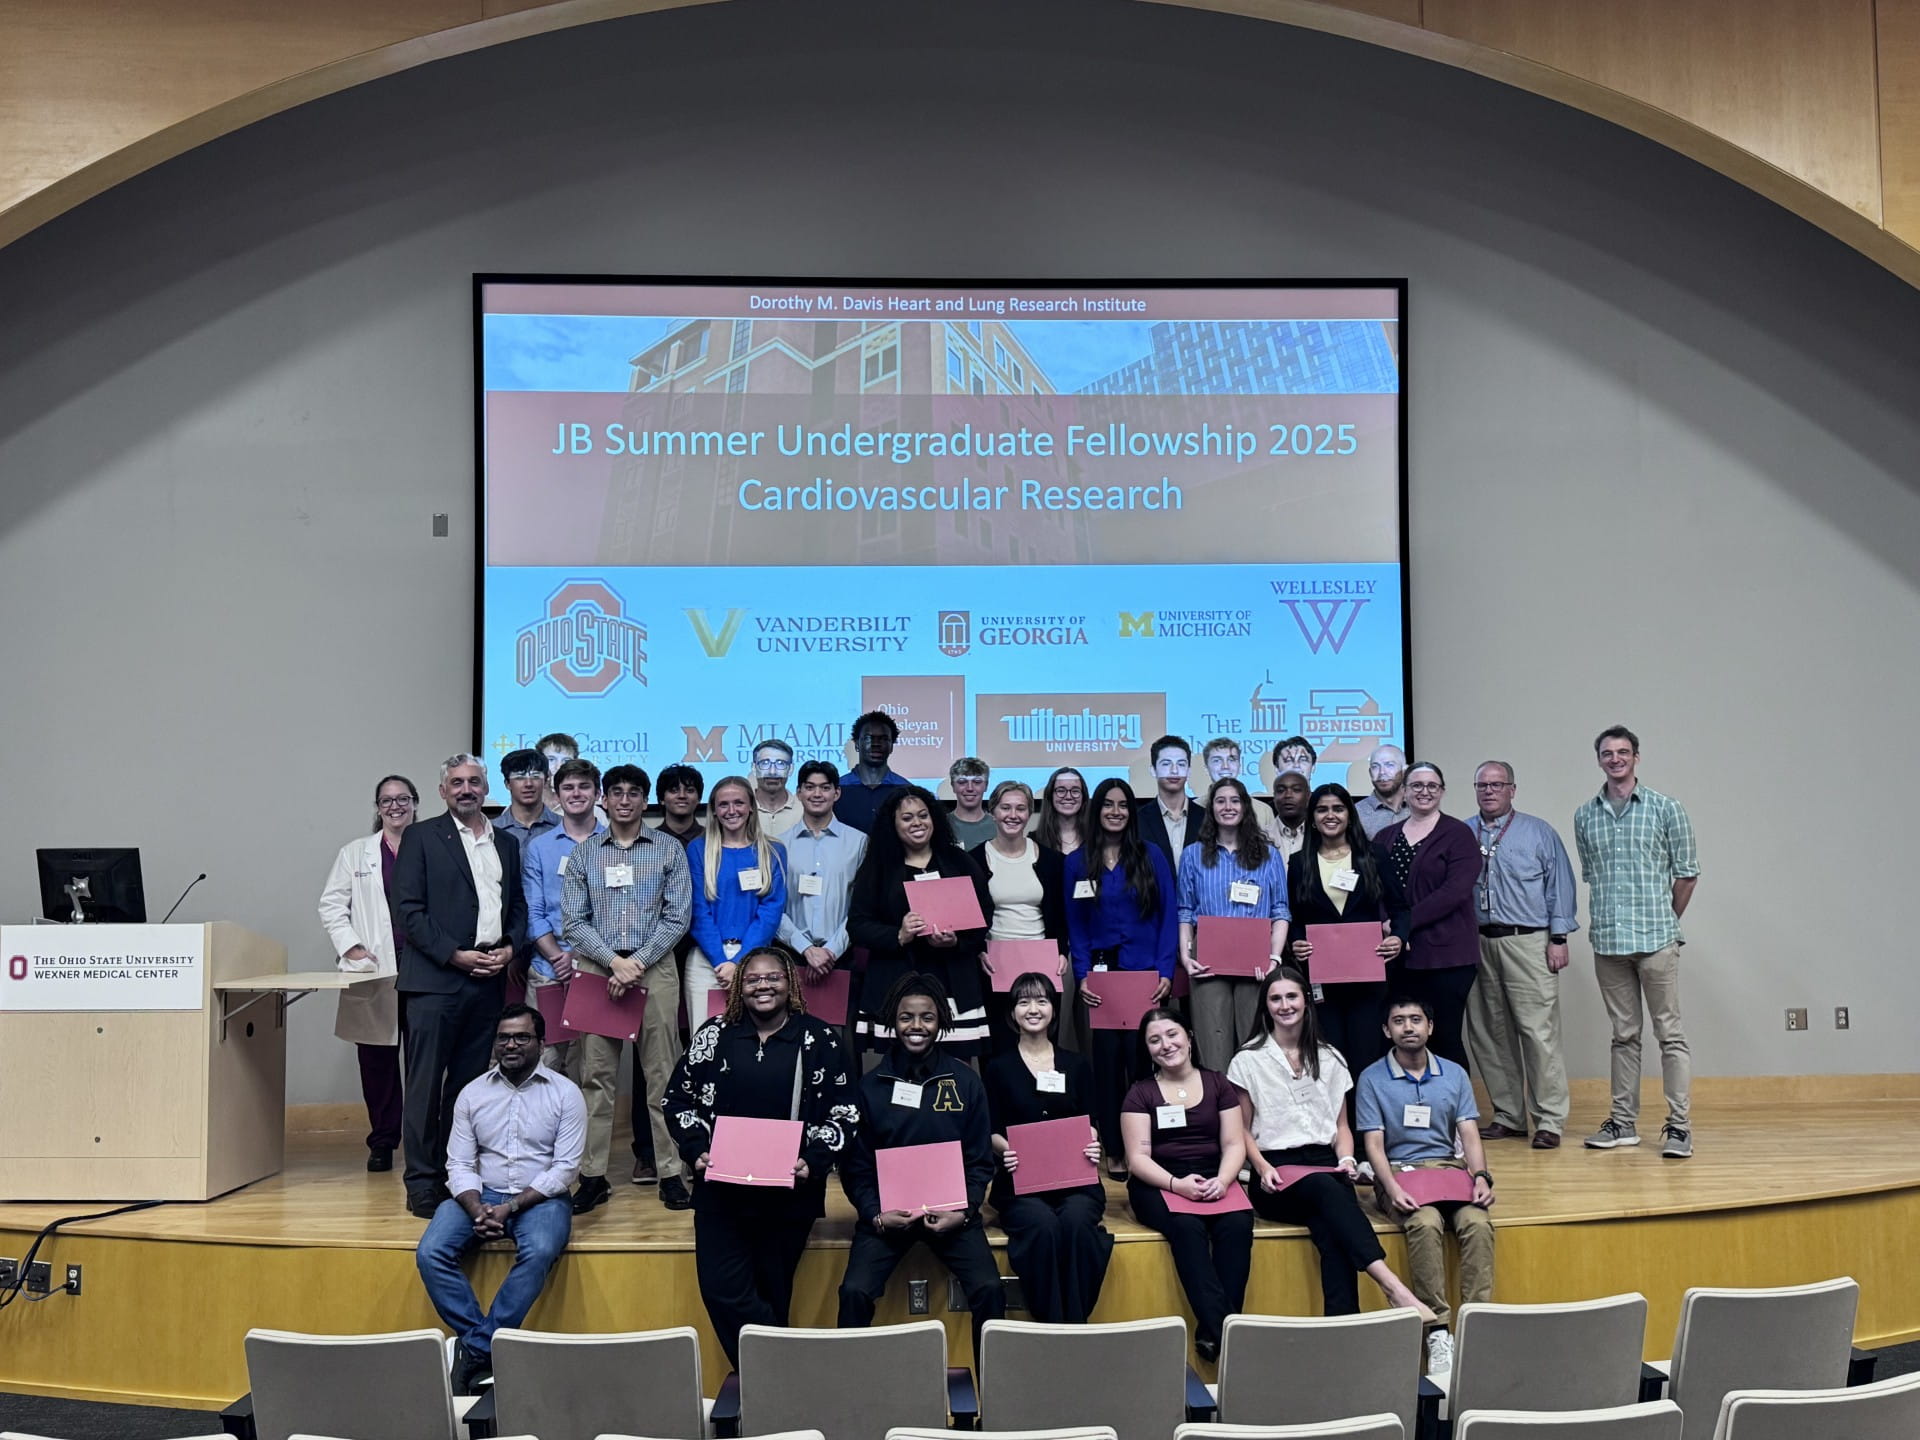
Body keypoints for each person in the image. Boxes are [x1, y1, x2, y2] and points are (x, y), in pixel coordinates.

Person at [664, 946, 858, 1364]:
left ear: (790, 983)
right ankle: (782, 1370)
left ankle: (766, 1398)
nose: (763, 985)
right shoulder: (714, 1034)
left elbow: (846, 1108)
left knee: (773, 1290)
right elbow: (677, 1100)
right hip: (721, 1191)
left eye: (773, 977)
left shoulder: (819, 1038)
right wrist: (696, 1150)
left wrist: (815, 1156)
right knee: (721, 1288)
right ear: (739, 987)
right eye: (752, 979)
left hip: (788, 1193)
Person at [1229, 968, 1430, 1322]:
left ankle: (1343, 1325)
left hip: (1327, 1164)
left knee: (1332, 1229)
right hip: (1276, 1172)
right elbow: (1240, 1130)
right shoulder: (1248, 1059)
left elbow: (1340, 1125)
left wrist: (1348, 1159)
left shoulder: (1330, 1056)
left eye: (1292, 996)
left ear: (1306, 1001)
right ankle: (1393, 1287)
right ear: (1265, 1006)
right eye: (1276, 998)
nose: (1285, 1005)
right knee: (1327, 1192)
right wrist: (1261, 1167)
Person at [416, 1003, 584, 1394]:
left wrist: (512, 1206)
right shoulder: (472, 1094)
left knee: (540, 1250)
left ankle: (475, 1348)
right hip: (480, 1194)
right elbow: (457, 1163)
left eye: (522, 1037)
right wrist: (477, 1206)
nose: (511, 1045)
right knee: (430, 1252)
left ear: (540, 1043)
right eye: (504, 1038)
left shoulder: (566, 1094)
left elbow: (566, 1168)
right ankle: (487, 1342)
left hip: (540, 1196)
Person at [839, 972, 1007, 1348]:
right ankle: (848, 1399)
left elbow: (980, 1162)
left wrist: (963, 1213)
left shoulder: (965, 1082)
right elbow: (857, 1167)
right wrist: (875, 1215)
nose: (916, 1026)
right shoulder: (869, 1087)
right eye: (906, 1017)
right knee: (853, 1293)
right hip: (887, 1217)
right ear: (892, 1022)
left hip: (954, 1216)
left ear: (941, 1022)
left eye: (927, 1017)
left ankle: (994, 1401)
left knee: (990, 1290)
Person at [392, 754, 527, 1217]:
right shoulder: (421, 836)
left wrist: (510, 948)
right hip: (436, 981)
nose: (466, 789)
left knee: (468, 1090)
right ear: (442, 790)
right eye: (456, 782)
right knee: (426, 1086)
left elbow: (518, 908)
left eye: (474, 781)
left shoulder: (506, 843)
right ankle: (422, 1181)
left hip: (488, 981)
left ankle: (457, 1174)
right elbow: (408, 910)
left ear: (486, 788)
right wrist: (454, 954)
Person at [561, 764, 694, 1212]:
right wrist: (614, 962)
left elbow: (678, 918)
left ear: (644, 800)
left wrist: (635, 962)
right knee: (594, 1076)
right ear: (604, 798)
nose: (623, 800)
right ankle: (593, 1175)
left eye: (633, 793)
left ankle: (671, 1172)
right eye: (615, 792)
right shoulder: (584, 854)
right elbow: (573, 922)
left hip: (654, 969)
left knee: (662, 1074)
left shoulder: (668, 849)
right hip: (600, 971)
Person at [1574, 726, 1699, 1159]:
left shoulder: (1667, 809)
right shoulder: (1584, 815)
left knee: (1670, 1035)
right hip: (1608, 943)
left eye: (1623, 752)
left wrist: (1664, 919)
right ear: (1599, 760)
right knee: (1624, 1035)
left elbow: (1687, 873)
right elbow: (1593, 876)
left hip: (1657, 940)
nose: (1615, 759)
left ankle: (1680, 1127)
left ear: (1636, 758)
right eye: (1607, 753)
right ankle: (1623, 1123)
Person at [1356, 994, 1495, 1377]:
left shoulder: (1454, 1073)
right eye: (1399, 1021)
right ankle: (1437, 1329)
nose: (1408, 1027)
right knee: (1425, 1222)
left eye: (1416, 1019)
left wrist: (1481, 1176)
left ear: (1430, 1027)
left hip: (1449, 1170)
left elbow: (1468, 1133)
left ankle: (1477, 1324)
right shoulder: (1371, 1078)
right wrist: (1390, 1187)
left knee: (1477, 1223)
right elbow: (1374, 1145)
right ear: (1387, 1030)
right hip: (1399, 1173)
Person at [1120, 1007, 1253, 1363]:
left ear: (1190, 1037)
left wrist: (1223, 1181)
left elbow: (1234, 1144)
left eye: (1172, 1034)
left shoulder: (1218, 1083)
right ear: (1147, 1049)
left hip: (1215, 1174)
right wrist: (1177, 1185)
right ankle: (1228, 1329)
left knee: (1238, 1224)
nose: (1166, 1045)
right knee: (1186, 1226)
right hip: (1160, 1180)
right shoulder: (1140, 1093)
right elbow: (1138, 1160)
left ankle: (1212, 1332)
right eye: (1154, 1040)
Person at [984, 972, 1110, 1324]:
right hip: (1021, 1181)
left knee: (1076, 1224)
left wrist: (1093, 1144)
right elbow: (990, 1128)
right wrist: (1004, 1149)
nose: (1033, 1008)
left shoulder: (1077, 1064)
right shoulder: (998, 1067)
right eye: (1023, 1001)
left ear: (1054, 1009)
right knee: (1041, 1226)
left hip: (1076, 1180)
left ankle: (1075, 1322)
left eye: (1041, 1000)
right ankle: (1052, 1324)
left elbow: (1091, 1122)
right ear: (1012, 1014)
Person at [1467, 761, 1579, 1149]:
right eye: (1483, 784)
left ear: (1513, 789)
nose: (1490, 791)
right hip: (1478, 942)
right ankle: (1508, 1115)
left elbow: (1560, 886)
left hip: (1529, 941)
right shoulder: (1462, 833)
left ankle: (1548, 1119)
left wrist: (1559, 938)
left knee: (1538, 1032)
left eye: (1497, 784)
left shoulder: (1538, 832)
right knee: (1489, 1032)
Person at [1068, 778, 1177, 1176]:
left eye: (1123, 805)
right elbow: (1076, 926)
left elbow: (1169, 917)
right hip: (1103, 982)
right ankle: (1114, 1148)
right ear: (1096, 812)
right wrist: (1082, 976)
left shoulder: (1152, 855)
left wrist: (1166, 970)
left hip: (1146, 976)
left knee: (1147, 1064)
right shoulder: (1078, 861)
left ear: (1132, 812)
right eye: (1107, 805)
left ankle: (1148, 1149)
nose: (1115, 811)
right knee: (1108, 1066)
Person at [848, 785, 995, 1055]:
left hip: (953, 980)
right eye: (907, 818)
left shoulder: (959, 861)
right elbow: (857, 926)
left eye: (923, 815)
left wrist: (956, 941)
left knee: (956, 1068)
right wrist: (898, 935)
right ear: (892, 825)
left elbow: (984, 916)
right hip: (895, 980)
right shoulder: (877, 867)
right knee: (901, 1067)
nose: (917, 823)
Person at [316, 773, 415, 1172]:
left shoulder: (431, 847)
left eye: (402, 798)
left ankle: (430, 1141)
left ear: (415, 803)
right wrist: (351, 946)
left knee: (427, 1059)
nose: (394, 806)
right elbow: (331, 905)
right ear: (377, 808)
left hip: (424, 968)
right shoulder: (355, 852)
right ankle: (383, 1141)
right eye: (386, 800)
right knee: (377, 1061)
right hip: (374, 969)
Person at [1288, 784, 1403, 1099]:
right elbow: (1295, 917)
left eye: (1338, 808)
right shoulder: (1300, 862)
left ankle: (1367, 1131)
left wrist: (1398, 937)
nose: (1330, 815)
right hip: (1323, 977)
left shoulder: (1373, 855)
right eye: (1322, 809)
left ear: (1349, 816)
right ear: (1312, 819)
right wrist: (1296, 943)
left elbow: (1401, 908)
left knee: (1367, 1053)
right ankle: (1337, 1133)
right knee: (1330, 1055)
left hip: (1367, 975)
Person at [1178, 778, 1290, 1073]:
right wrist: (1186, 957)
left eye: (1235, 800)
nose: (1228, 807)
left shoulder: (1268, 855)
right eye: (1220, 800)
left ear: (1245, 807)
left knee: (1257, 1044)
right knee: (1214, 1045)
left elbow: (1280, 910)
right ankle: (1223, 1115)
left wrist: (1274, 958)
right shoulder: (1193, 854)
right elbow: (1185, 911)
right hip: (1208, 960)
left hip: (1255, 960)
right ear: (1211, 808)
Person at [1376, 763, 1481, 1069]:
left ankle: (1456, 1115)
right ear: (1404, 792)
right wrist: (1391, 928)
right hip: (1398, 959)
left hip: (1447, 959)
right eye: (1417, 785)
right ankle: (1407, 1110)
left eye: (1432, 786)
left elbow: (1455, 892)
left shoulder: (1459, 834)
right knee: (1399, 1038)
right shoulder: (1385, 837)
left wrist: (1402, 927)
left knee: (1444, 1037)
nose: (1424, 791)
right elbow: (1373, 887)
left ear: (1442, 792)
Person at [684, 774, 789, 1028]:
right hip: (708, 962)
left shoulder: (773, 851)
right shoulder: (698, 850)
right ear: (714, 811)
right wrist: (722, 962)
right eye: (723, 804)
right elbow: (698, 911)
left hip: (756, 960)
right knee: (706, 1042)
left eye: (739, 803)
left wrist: (741, 963)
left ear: (751, 806)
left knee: (753, 1043)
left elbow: (771, 911)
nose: (732, 811)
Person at [974, 780, 1070, 1047]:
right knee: (999, 1045)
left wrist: (1062, 950)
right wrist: (978, 950)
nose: (1013, 815)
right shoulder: (974, 860)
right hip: (995, 965)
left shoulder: (1052, 861)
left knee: (1041, 1043)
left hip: (1042, 962)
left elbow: (1061, 915)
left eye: (1021, 808)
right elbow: (969, 919)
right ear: (992, 811)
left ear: (1030, 813)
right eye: (1005, 808)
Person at [522, 758, 605, 1066]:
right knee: (545, 1063)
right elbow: (534, 911)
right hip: (548, 971)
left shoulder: (614, 844)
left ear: (597, 794)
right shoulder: (539, 847)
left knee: (592, 1066)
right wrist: (560, 958)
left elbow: (616, 914)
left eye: (584, 786)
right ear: (556, 796)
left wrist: (579, 958)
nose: (576, 793)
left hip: (597, 969)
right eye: (567, 787)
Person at [776, 760, 868, 1007]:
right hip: (792, 956)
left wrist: (830, 952)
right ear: (799, 792)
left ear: (837, 793)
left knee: (840, 1041)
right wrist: (806, 949)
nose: (817, 794)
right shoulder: (779, 845)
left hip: (842, 957)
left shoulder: (859, 842)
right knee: (791, 1037)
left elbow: (861, 906)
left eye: (825, 788)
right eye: (809, 787)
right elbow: (773, 907)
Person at [835, 709, 909, 832]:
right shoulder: (837, 789)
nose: (876, 744)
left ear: (891, 746)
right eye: (869, 738)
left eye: (883, 739)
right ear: (857, 744)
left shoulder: (905, 789)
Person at [1137, 735, 1198, 870]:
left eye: (1181, 764)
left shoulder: (1207, 818)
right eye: (1166, 764)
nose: (1174, 770)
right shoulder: (1137, 820)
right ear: (1153, 770)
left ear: (1189, 771)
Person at [1201, 737, 1279, 840]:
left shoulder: (1263, 810)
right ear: (1206, 768)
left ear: (1240, 766)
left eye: (1231, 759)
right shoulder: (1194, 808)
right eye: (1217, 760)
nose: (1225, 766)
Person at [494, 748, 560, 851]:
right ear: (507, 784)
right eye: (520, 778)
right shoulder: (492, 830)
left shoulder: (562, 826)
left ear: (546, 781)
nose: (528, 784)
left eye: (535, 777)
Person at [750, 739, 804, 840]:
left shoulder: (806, 810)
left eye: (781, 764)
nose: (772, 771)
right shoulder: (740, 809)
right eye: (765, 763)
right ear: (754, 768)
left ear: (791, 769)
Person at [1356, 744, 1409, 840]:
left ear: (1404, 771)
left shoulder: (1417, 808)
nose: (1382, 772)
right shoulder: (1357, 813)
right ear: (1370, 773)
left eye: (1390, 765)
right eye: (1375, 767)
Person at [1032, 766, 1088, 857]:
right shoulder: (1034, 841)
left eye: (1075, 791)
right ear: (1050, 796)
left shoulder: (1096, 839)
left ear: (1083, 796)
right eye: (1061, 790)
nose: (1068, 796)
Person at [947, 756, 996, 849]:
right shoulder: (941, 825)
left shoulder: (998, 827)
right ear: (953, 786)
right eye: (962, 782)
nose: (970, 788)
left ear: (986, 786)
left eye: (977, 782)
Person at [653, 763, 706, 845]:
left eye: (689, 790)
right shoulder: (650, 840)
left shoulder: (711, 838)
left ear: (699, 798)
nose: (682, 796)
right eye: (674, 790)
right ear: (661, 799)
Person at [1270, 771, 1310, 861]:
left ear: (1308, 795)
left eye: (1296, 790)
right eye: (1281, 790)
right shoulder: (1261, 836)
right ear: (1274, 796)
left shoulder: (1320, 835)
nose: (1288, 795)